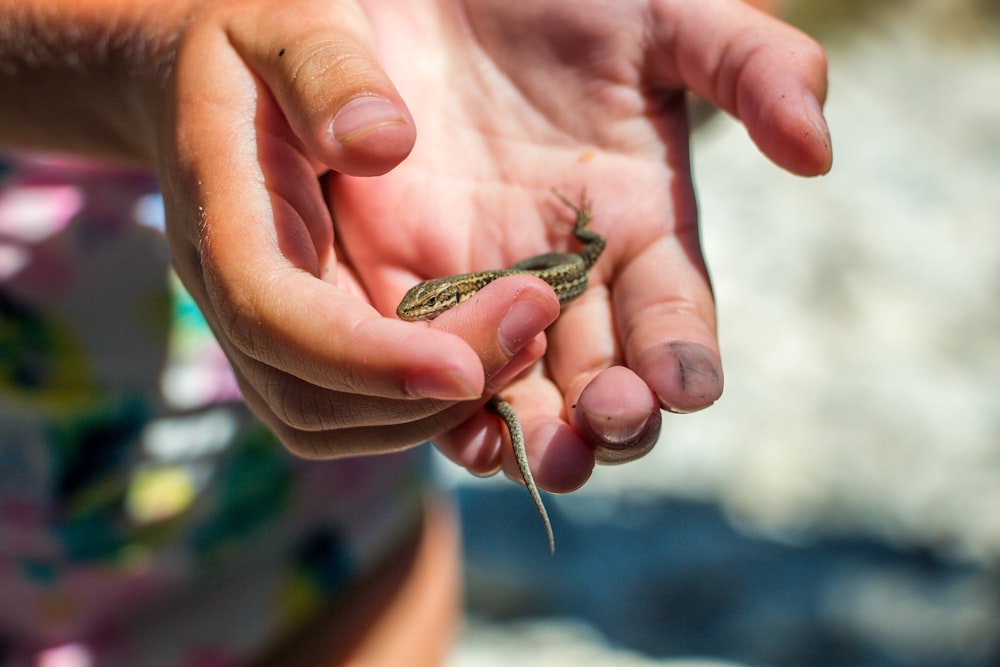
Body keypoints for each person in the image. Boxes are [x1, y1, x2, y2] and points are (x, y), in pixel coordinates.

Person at [0, 0, 832, 664]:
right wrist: (145, 58)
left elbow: (680, 55)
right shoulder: (461, 285)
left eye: (437, 303)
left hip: (322, 564)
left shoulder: (547, 278)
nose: (433, 305)